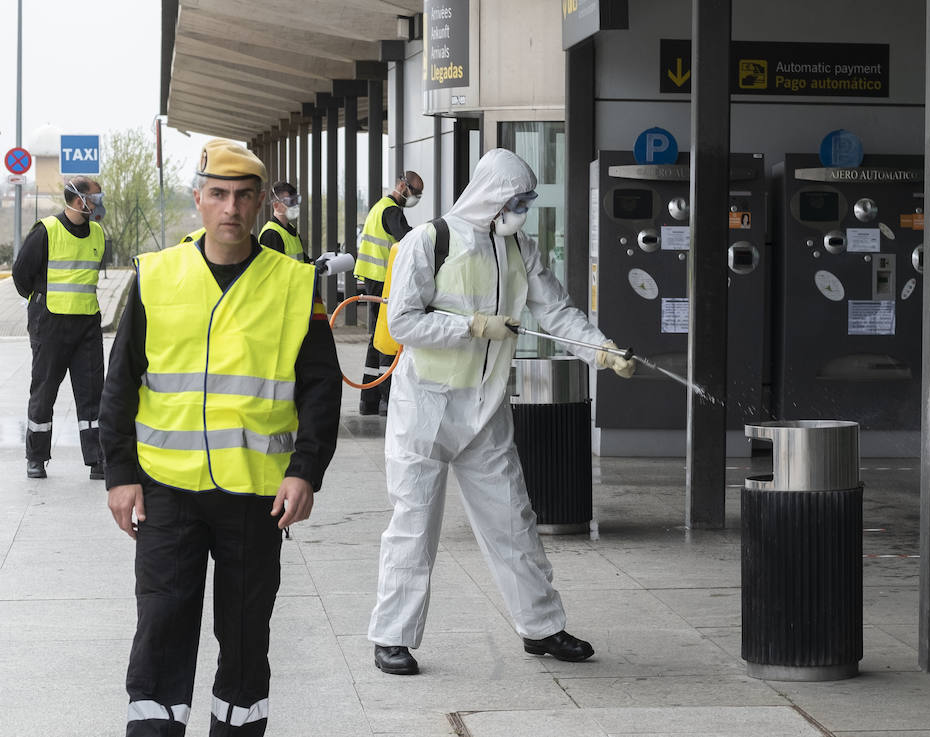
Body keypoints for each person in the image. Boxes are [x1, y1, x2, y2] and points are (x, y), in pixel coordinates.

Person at [101, 139, 342, 736]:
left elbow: (319, 389)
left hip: (256, 497)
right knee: (161, 629)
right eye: (218, 194)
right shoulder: (157, 275)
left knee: (244, 639)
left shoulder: (292, 284)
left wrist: (305, 470)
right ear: (199, 200)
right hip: (167, 490)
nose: (230, 207)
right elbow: (121, 381)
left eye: (242, 196)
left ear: (261, 202)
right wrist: (120, 474)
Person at [368, 148, 635, 676]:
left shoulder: (520, 249)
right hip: (425, 407)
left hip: (485, 409)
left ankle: (542, 627)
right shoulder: (430, 241)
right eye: (517, 199)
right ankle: (392, 637)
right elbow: (402, 324)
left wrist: (598, 348)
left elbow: (554, 311)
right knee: (414, 524)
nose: (522, 209)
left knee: (513, 521)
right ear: (492, 196)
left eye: (527, 201)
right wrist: (470, 325)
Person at [12, 175, 108, 480]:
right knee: (44, 392)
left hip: (87, 326)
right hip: (50, 323)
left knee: (93, 394)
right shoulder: (46, 231)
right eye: (96, 197)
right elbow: (21, 275)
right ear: (80, 200)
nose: (99, 202)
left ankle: (97, 460)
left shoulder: (97, 234)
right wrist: (39, 303)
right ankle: (36, 458)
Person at [355, 171, 423, 415]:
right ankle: (386, 399)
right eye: (415, 192)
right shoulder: (392, 210)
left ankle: (369, 399)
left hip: (373, 279)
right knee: (388, 338)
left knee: (376, 338)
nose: (416, 198)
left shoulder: (379, 207)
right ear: (403, 186)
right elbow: (407, 239)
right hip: (383, 282)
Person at [258, 181, 307, 261]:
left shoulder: (291, 229)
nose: (294, 205)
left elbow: (303, 260)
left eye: (295, 200)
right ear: (276, 205)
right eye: (290, 202)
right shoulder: (271, 234)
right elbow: (275, 270)